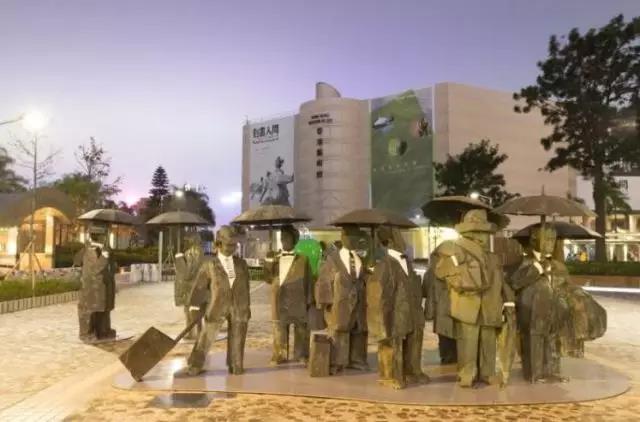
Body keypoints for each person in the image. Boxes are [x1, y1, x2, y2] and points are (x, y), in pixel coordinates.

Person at [433, 209, 512, 387]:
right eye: (479, 232)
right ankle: (466, 374)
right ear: (469, 233)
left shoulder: (492, 257)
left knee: (488, 342)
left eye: (485, 232)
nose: (484, 237)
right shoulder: (454, 251)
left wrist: (507, 300)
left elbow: (500, 281)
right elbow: (441, 273)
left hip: (490, 305)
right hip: (467, 305)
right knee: (468, 342)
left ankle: (487, 373)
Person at [367, 225, 428, 389]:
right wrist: (381, 325)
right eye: (399, 235)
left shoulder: (406, 262)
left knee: (414, 342)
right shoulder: (384, 265)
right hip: (395, 314)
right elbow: (378, 296)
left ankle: (412, 371)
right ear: (390, 241)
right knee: (393, 345)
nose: (404, 240)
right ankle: (390, 375)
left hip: (412, 313)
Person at [185, 226, 251, 376]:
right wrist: (194, 308)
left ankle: (236, 364)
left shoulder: (242, 264)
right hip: (217, 306)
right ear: (219, 244)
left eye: (234, 245)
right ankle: (195, 363)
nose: (232, 248)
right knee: (206, 337)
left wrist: (247, 307)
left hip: (239, 306)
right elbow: (199, 288)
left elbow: (246, 287)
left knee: (238, 337)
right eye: (228, 245)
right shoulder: (209, 265)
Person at [510, 226, 568, 383]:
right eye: (547, 239)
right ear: (534, 240)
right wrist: (537, 268)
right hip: (531, 310)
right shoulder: (524, 262)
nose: (551, 243)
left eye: (553, 239)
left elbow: (565, 287)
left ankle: (552, 371)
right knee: (533, 339)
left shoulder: (557, 265)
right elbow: (515, 283)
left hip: (553, 310)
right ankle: (534, 374)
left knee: (552, 340)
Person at [315, 226, 369, 374]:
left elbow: (363, 278)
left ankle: (357, 359)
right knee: (339, 331)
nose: (355, 241)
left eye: (357, 238)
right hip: (340, 302)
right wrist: (325, 302)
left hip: (359, 303)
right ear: (343, 238)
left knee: (359, 331)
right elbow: (323, 280)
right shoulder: (333, 258)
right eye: (351, 237)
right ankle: (338, 361)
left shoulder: (360, 259)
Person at [263, 225, 313, 365]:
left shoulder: (303, 259)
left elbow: (309, 280)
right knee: (279, 328)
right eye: (282, 237)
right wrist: (268, 263)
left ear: (294, 239)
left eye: (286, 237)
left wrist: (310, 299)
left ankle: (301, 354)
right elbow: (267, 278)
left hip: (298, 299)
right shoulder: (275, 258)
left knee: (301, 329)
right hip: (280, 299)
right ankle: (280, 354)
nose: (283, 240)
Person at [76, 229, 117, 342]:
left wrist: (108, 256)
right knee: (90, 311)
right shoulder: (90, 251)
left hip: (103, 286)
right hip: (92, 288)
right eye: (104, 236)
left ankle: (103, 331)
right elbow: (95, 269)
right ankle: (86, 333)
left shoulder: (103, 249)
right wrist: (104, 257)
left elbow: (112, 267)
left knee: (103, 310)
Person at [174, 232, 207, 340]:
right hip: (197, 285)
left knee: (191, 311)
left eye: (187, 239)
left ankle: (194, 333)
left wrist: (179, 260)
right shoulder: (199, 251)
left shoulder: (192, 252)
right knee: (193, 310)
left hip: (191, 286)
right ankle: (195, 332)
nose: (185, 242)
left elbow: (188, 273)